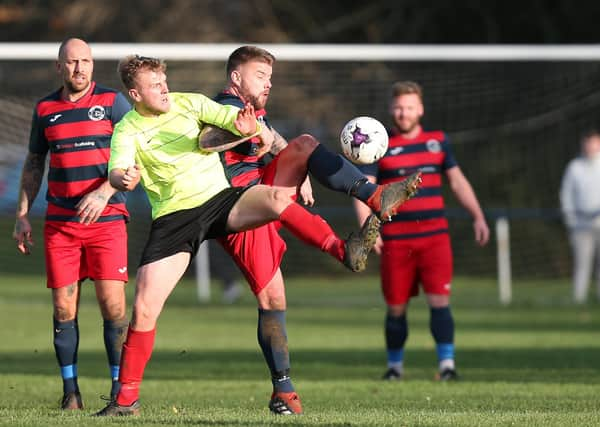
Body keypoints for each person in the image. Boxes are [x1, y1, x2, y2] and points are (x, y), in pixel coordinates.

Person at [95, 54, 388, 416]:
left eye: (163, 80)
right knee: (143, 310)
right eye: (154, 85)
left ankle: (343, 250)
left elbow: (233, 121)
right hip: (174, 219)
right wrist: (121, 179)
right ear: (135, 94)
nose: (164, 88)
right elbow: (117, 170)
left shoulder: (191, 102)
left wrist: (247, 123)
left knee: (279, 199)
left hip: (221, 200)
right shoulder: (126, 129)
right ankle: (125, 401)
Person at [200, 45, 422, 414]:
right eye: (260, 76)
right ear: (236, 78)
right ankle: (345, 245)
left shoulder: (255, 112)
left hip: (263, 195)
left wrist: (292, 164)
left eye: (271, 78)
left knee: (302, 144)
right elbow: (206, 141)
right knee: (272, 300)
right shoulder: (222, 107)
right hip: (236, 210)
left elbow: (272, 139)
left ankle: (375, 197)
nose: (268, 84)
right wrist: (255, 135)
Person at [12, 38, 131, 409]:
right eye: (72, 62)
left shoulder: (114, 103)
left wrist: (107, 192)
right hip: (61, 224)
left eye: (85, 61)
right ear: (59, 66)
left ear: (93, 65)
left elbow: (134, 159)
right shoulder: (46, 108)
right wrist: (22, 213)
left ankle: (118, 391)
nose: (79, 68)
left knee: (113, 307)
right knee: (64, 310)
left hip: (108, 222)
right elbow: (35, 163)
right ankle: (71, 393)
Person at [353, 81, 490, 382]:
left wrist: (478, 216)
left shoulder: (438, 141)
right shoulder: (380, 144)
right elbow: (362, 190)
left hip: (434, 239)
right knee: (396, 308)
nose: (403, 113)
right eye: (399, 107)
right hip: (397, 242)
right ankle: (394, 368)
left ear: (421, 109)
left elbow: (458, 182)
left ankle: (447, 367)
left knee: (440, 302)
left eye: (409, 107)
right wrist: (369, 232)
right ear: (391, 109)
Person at [560, 130, 600, 303]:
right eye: (587, 143)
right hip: (581, 224)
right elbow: (566, 193)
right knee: (581, 264)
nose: (590, 147)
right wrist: (570, 217)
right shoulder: (575, 167)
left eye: (593, 142)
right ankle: (579, 298)